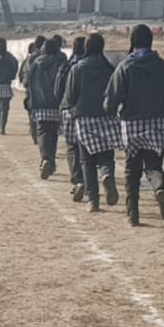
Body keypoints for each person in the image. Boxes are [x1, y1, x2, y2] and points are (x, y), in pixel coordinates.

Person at [106, 24, 164, 226]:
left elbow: (112, 98)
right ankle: (159, 188)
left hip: (132, 124)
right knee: (154, 165)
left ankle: (133, 215)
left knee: (132, 171)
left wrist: (110, 109)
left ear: (132, 41)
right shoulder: (162, 65)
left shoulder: (125, 67)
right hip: (157, 123)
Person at [63, 34, 124, 213]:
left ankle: (93, 201)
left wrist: (70, 107)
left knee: (86, 161)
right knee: (106, 156)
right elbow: (116, 93)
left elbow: (70, 97)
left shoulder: (77, 68)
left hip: (85, 119)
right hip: (107, 117)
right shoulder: (110, 68)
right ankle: (106, 174)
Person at [27, 37, 68, 180]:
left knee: (42, 133)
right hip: (56, 105)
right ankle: (51, 161)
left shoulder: (36, 64)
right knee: (53, 134)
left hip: (40, 105)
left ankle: (46, 159)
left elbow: (29, 84)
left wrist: (31, 103)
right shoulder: (61, 63)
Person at [59, 36, 87, 201]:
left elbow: (59, 89)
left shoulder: (68, 66)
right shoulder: (100, 65)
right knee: (88, 150)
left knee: (72, 147)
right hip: (91, 113)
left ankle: (78, 180)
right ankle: (91, 180)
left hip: (71, 111)